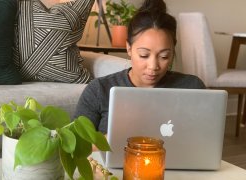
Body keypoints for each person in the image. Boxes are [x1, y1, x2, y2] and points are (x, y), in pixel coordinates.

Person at [74, 0, 206, 134]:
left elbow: (206, 138)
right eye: (144, 55)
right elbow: (74, 146)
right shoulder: (99, 90)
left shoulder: (192, 87)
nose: (153, 66)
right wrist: (108, 142)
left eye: (164, 56)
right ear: (129, 48)